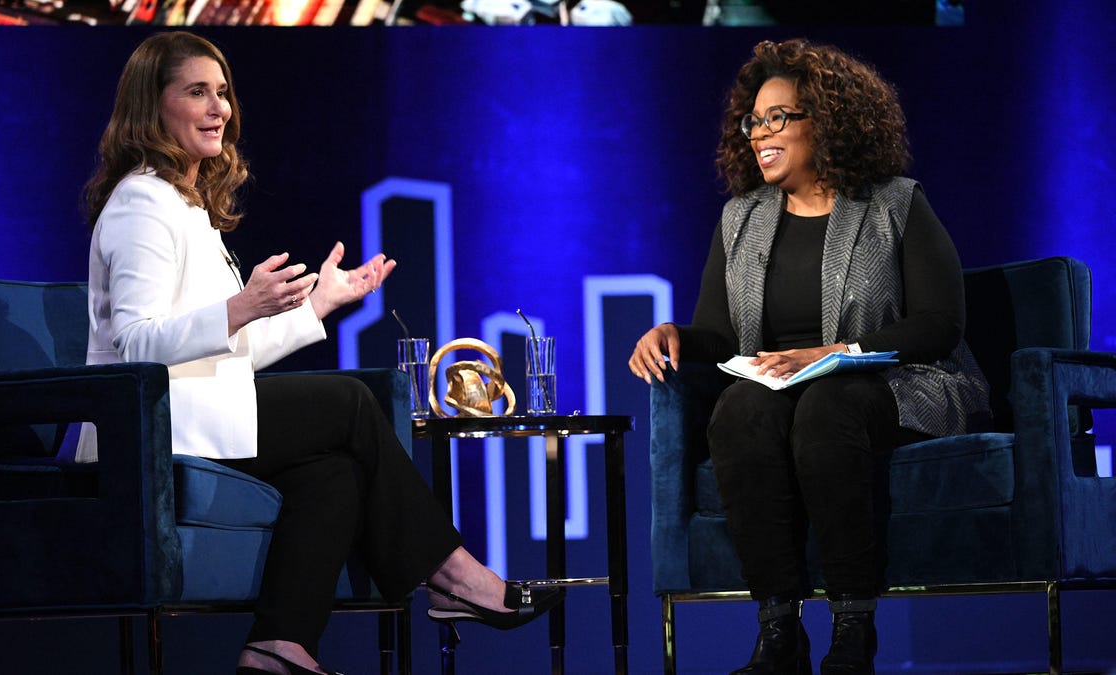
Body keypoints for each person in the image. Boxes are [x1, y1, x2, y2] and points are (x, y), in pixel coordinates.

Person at [78, 31, 561, 675]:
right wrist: (240, 307)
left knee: (333, 472)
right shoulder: (141, 202)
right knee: (349, 402)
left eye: (222, 92)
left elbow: (226, 354)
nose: (219, 108)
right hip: (146, 427)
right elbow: (137, 344)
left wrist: (318, 305)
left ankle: (279, 646)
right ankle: (453, 574)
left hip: (195, 411)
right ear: (152, 105)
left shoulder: (186, 206)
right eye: (197, 92)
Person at [627, 39, 989, 675]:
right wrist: (672, 333)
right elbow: (721, 338)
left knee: (827, 405)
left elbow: (940, 324)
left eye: (778, 118)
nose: (760, 134)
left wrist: (837, 352)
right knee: (739, 411)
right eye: (753, 121)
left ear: (826, 121)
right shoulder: (740, 218)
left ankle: (853, 628)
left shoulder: (894, 202)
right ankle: (778, 632)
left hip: (897, 382)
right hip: (783, 390)